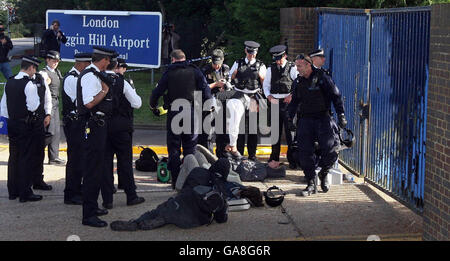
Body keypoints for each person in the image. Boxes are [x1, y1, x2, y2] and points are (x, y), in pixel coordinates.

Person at [109, 159, 230, 232]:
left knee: (155, 211)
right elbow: (221, 219)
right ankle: (165, 219)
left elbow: (183, 190)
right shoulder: (221, 190)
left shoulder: (199, 171)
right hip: (196, 221)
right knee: (180, 211)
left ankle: (136, 222)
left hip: (178, 206)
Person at [150, 49, 212, 189]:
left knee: (174, 148)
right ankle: (192, 182)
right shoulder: (195, 71)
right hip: (191, 112)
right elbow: (206, 90)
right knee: (190, 148)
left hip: (175, 112)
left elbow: (157, 92)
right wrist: (208, 106)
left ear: (173, 59)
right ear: (184, 58)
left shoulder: (169, 72)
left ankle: (176, 181)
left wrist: (153, 106)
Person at [288, 54, 347, 196]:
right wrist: (290, 118)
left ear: (308, 65)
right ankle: (311, 182)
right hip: (305, 120)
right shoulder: (298, 81)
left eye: (299, 66)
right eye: (296, 66)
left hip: (323, 118)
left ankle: (324, 172)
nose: (297, 68)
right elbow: (294, 102)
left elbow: (336, 96)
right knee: (304, 152)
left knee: (331, 149)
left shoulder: (322, 78)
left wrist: (341, 115)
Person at [0, 56, 51, 202]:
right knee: (25, 158)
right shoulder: (29, 84)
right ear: (31, 68)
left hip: (13, 123)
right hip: (26, 125)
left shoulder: (9, 81)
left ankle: (13, 191)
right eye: (34, 69)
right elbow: (33, 106)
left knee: (14, 157)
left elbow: (3, 107)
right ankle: (25, 192)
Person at [77, 46, 116, 227]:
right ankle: (88, 215)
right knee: (92, 171)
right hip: (93, 127)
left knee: (98, 168)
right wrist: (104, 92)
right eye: (108, 60)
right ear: (103, 60)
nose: (109, 63)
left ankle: (93, 207)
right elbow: (88, 103)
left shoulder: (95, 74)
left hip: (99, 126)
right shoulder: (89, 76)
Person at [100, 57, 145, 209]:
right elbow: (137, 103)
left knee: (105, 163)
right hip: (121, 128)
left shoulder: (96, 79)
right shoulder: (121, 82)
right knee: (125, 162)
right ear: (116, 66)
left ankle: (107, 200)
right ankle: (131, 196)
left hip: (103, 127)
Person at [226, 41, 267, 160]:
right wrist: (233, 76)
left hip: (253, 97)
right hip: (239, 97)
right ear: (245, 51)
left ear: (256, 52)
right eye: (249, 53)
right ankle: (238, 153)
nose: (251, 55)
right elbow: (230, 77)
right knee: (239, 126)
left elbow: (264, 84)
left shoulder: (261, 65)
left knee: (253, 128)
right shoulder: (238, 63)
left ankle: (252, 155)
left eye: (253, 53)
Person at [62, 52, 92, 205]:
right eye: (88, 65)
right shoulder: (72, 79)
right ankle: (71, 192)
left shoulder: (78, 77)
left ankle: (77, 189)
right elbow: (82, 101)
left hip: (79, 122)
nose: (89, 68)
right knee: (75, 158)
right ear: (81, 64)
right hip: (74, 123)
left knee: (80, 158)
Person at [263, 45, 298, 169]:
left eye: (280, 58)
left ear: (285, 56)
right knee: (275, 133)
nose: (278, 61)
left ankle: (293, 159)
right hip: (275, 102)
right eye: (276, 59)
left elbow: (298, 83)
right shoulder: (270, 69)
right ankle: (274, 157)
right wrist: (269, 97)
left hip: (288, 103)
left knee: (291, 133)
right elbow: (266, 85)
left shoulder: (293, 68)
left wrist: (292, 95)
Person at [200, 49, 231, 156]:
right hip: (209, 104)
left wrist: (226, 86)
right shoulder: (205, 70)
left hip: (222, 103)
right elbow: (202, 87)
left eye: (218, 64)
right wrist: (216, 84)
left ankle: (222, 155)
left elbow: (230, 83)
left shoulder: (226, 69)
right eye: (214, 64)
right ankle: (209, 156)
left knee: (222, 132)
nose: (217, 66)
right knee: (208, 132)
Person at [40, 51, 65, 165]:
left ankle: (54, 157)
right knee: (50, 131)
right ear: (47, 60)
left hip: (56, 102)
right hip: (48, 103)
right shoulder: (44, 73)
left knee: (56, 131)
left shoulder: (57, 72)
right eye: (53, 60)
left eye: (57, 61)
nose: (55, 63)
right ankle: (37, 151)